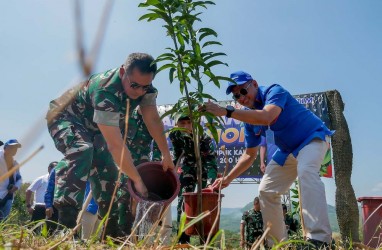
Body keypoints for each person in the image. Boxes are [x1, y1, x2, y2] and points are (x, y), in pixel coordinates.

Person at [45, 53, 174, 237]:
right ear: (123, 72)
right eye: (134, 85)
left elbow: (152, 119)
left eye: (145, 87)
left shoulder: (147, 90)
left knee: (110, 176)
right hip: (65, 117)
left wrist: (166, 154)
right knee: (82, 149)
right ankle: (65, 227)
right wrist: (138, 180)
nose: (139, 91)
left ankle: (112, 232)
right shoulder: (105, 90)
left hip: (95, 128)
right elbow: (116, 147)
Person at [206, 71, 333, 248]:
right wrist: (227, 179)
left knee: (306, 171)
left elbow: (267, 116)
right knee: (266, 191)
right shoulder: (248, 119)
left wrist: (227, 112)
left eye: (243, 91)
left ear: (255, 84)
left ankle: (320, 240)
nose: (241, 98)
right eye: (236, 96)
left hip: (311, 138)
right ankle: (277, 244)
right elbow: (249, 154)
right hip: (287, 150)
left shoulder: (274, 91)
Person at [169, 115, 218, 243]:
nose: (186, 126)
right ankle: (183, 241)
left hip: (205, 169)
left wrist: (210, 184)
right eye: (182, 123)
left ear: (194, 123)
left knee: (207, 204)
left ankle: (207, 242)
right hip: (188, 168)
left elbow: (211, 162)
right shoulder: (175, 135)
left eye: (189, 122)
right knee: (184, 203)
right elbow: (177, 153)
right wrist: (171, 170)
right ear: (177, 124)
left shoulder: (203, 137)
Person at [0, 139, 23, 221]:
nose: (15, 150)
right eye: (12, 147)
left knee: (3, 222)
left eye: (16, 148)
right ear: (5, 147)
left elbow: (19, 178)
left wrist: (16, 186)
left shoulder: (15, 163)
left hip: (8, 196)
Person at [44, 162, 59, 234]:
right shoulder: (56, 170)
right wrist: (48, 205)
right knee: (50, 232)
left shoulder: (79, 168)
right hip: (54, 207)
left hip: (70, 209)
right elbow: (49, 189)